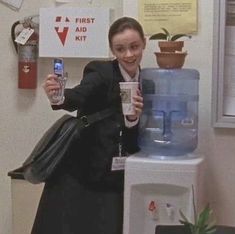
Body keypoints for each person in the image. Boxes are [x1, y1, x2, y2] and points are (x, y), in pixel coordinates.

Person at [31, 16, 145, 234]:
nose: (128, 55)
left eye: (134, 47)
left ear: (143, 44)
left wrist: (133, 119)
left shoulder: (145, 80)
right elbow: (79, 95)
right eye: (120, 49)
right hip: (82, 173)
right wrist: (59, 96)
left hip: (116, 176)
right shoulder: (101, 73)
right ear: (112, 50)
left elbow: (133, 137)